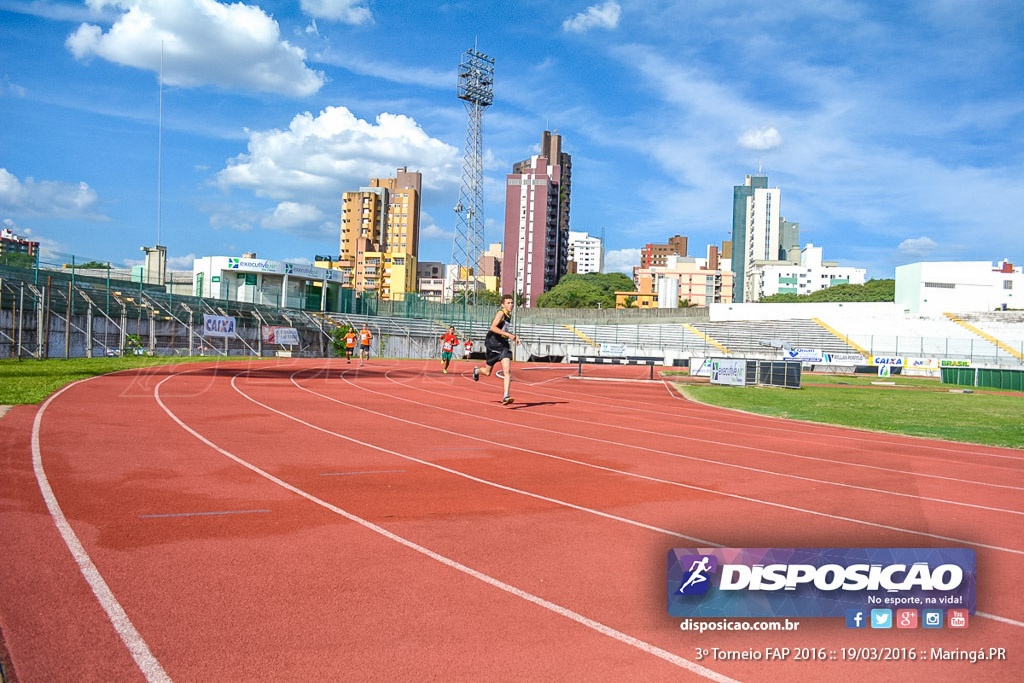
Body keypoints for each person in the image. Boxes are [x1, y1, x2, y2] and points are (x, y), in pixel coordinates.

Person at [473, 294, 520, 405]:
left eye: (512, 302)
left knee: (507, 371)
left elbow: (504, 331)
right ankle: (477, 370)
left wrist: (514, 337)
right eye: (508, 303)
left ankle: (506, 396)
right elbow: (493, 327)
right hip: (493, 344)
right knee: (487, 372)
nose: (511, 305)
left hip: (503, 346)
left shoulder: (509, 316)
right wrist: (509, 335)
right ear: (503, 304)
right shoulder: (501, 313)